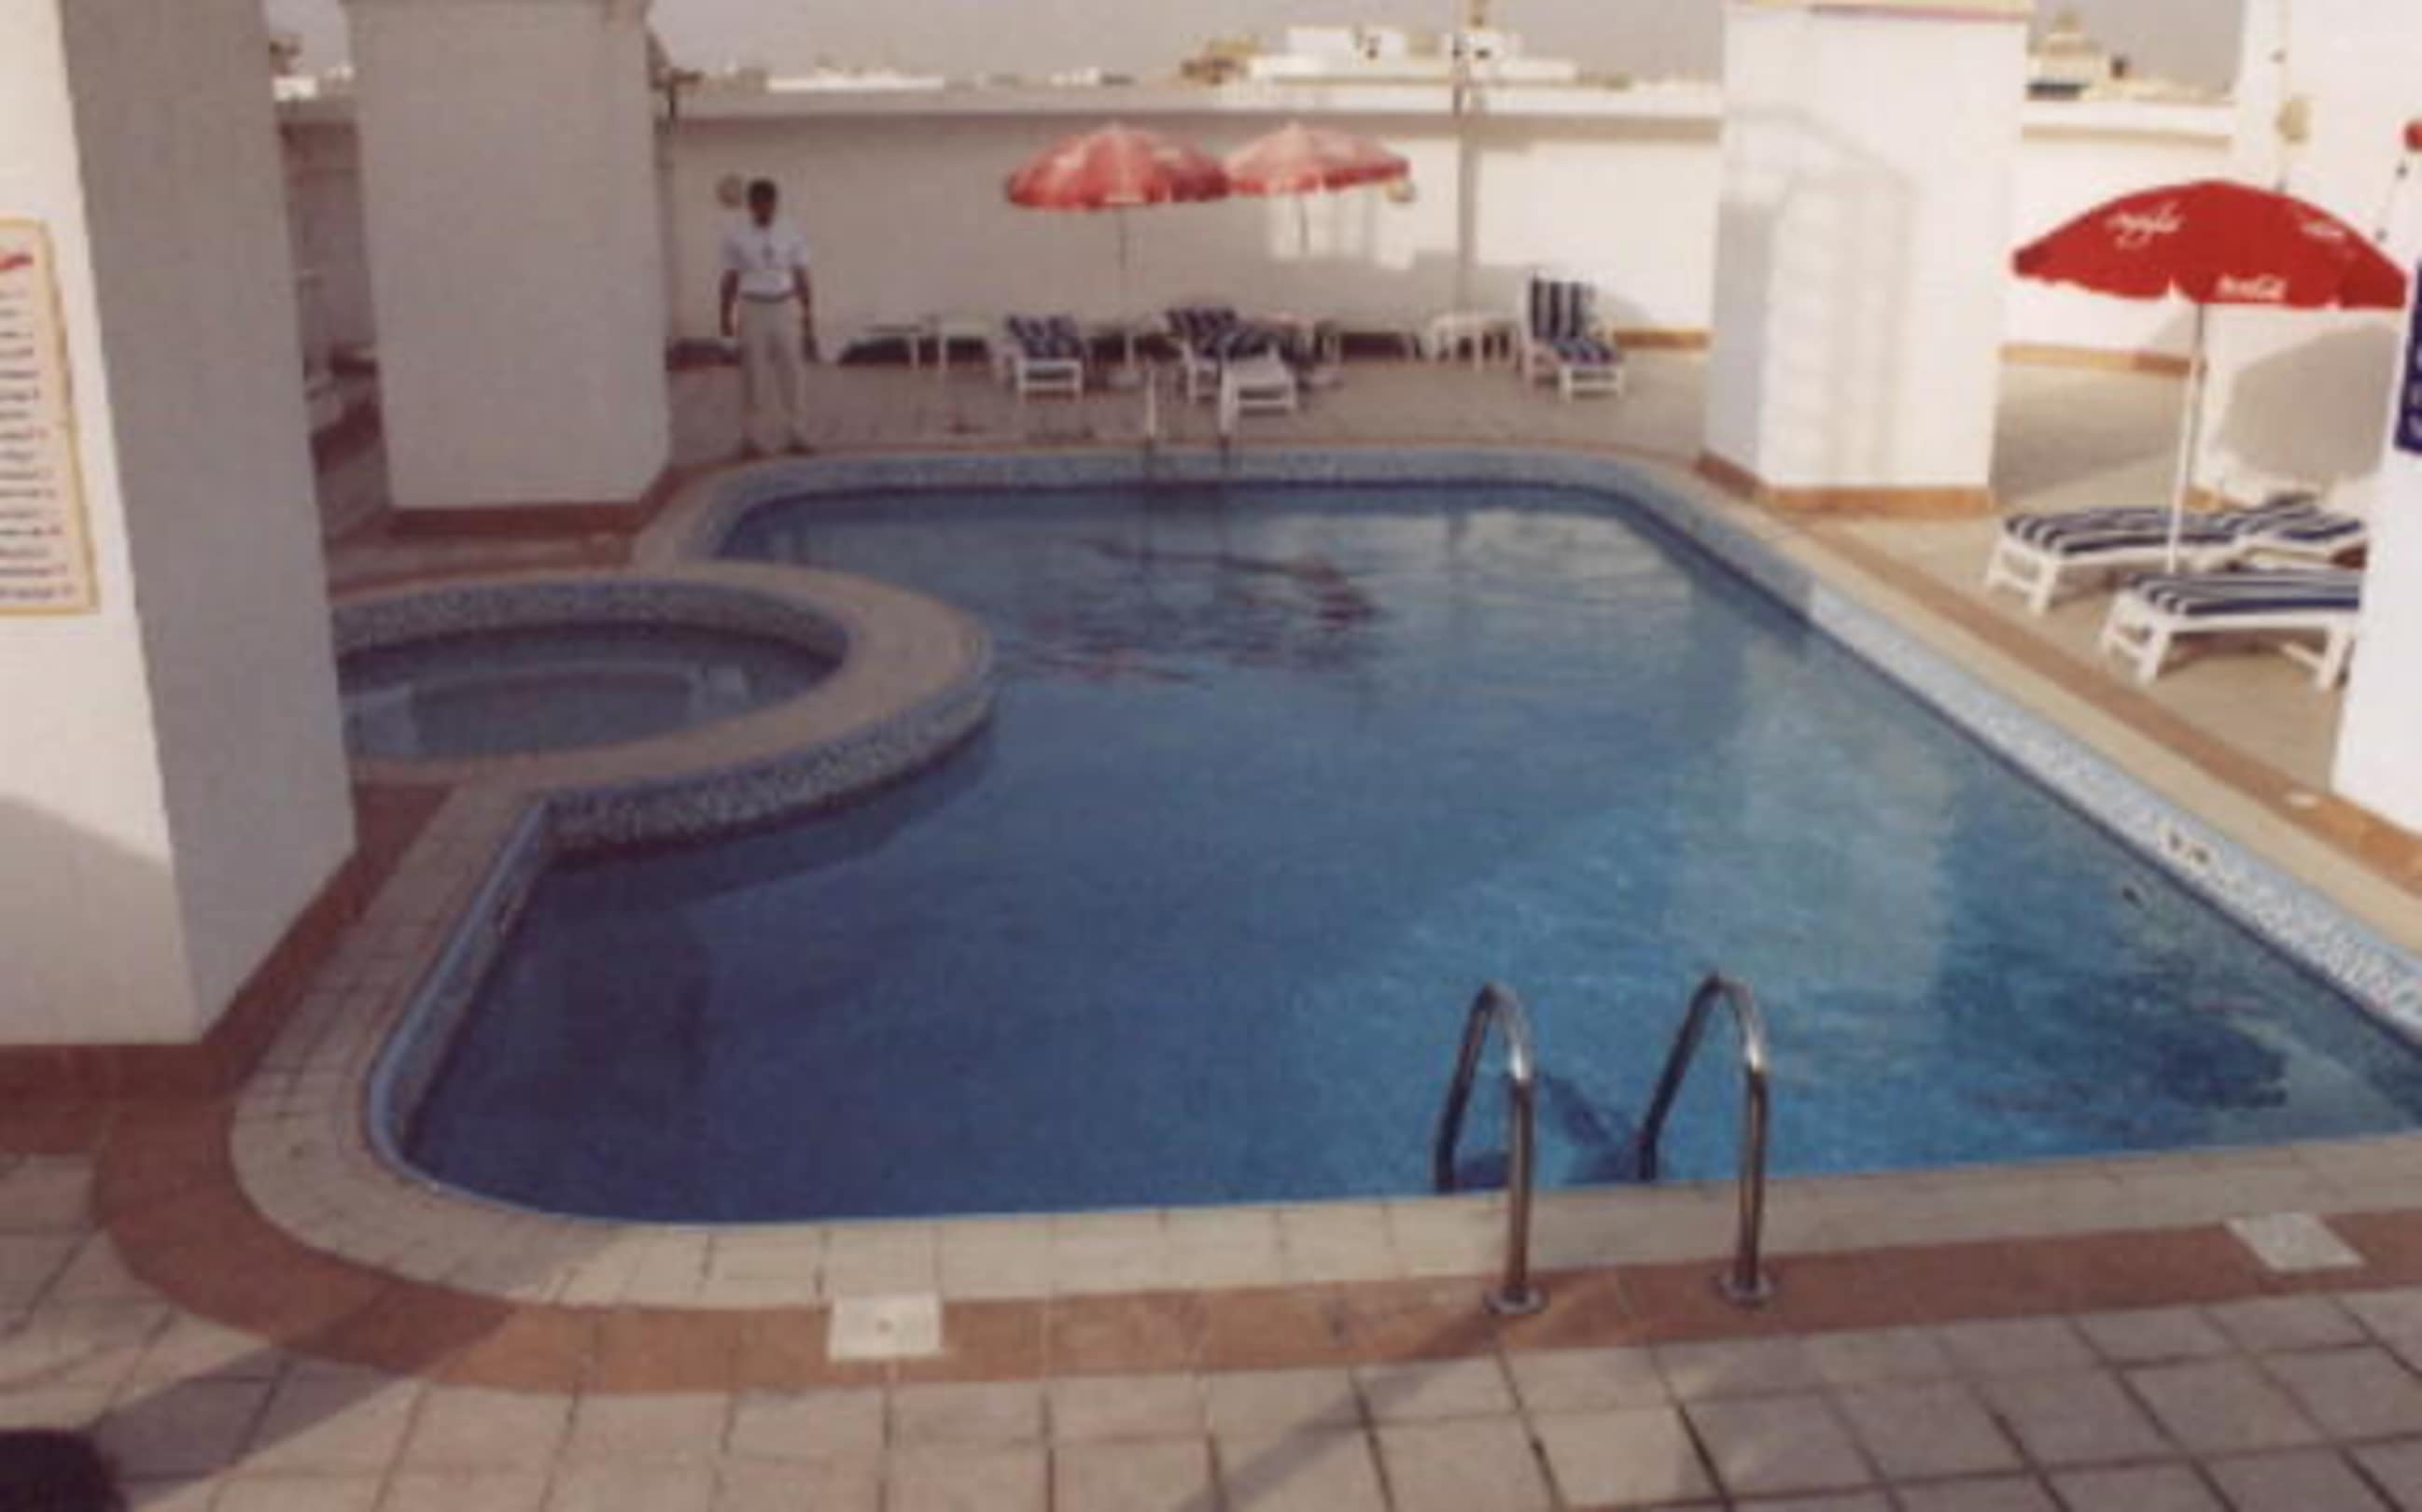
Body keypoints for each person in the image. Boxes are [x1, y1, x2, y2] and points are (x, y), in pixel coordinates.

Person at [719, 178, 818, 456]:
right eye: (757, 203)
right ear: (750, 205)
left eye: (767, 203)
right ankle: (751, 438)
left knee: (793, 372)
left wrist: (808, 312)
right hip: (753, 307)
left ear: (775, 203)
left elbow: (801, 274)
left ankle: (797, 433)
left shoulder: (792, 231)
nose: (762, 209)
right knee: (753, 374)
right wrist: (725, 316)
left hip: (784, 305)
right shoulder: (736, 236)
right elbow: (730, 277)